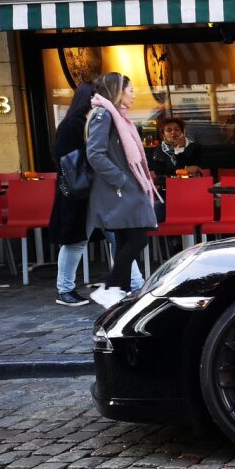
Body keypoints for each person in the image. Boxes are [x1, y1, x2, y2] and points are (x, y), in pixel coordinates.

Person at [85, 73, 158, 308]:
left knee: (128, 238)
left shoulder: (115, 115)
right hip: (118, 189)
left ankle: (119, 291)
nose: (134, 94)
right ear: (118, 91)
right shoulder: (104, 114)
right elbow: (95, 153)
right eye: (131, 89)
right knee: (137, 238)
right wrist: (121, 180)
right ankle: (112, 289)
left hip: (123, 187)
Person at [46, 82, 94, 306]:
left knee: (116, 237)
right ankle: (65, 289)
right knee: (75, 241)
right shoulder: (74, 124)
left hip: (86, 191)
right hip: (77, 192)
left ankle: (126, 284)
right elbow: (64, 158)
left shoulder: (80, 122)